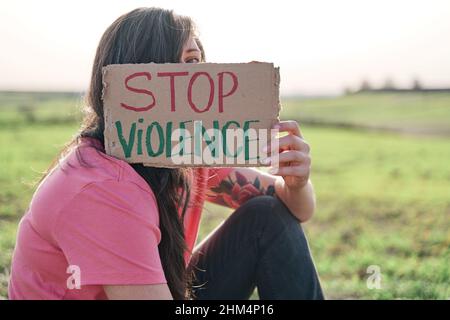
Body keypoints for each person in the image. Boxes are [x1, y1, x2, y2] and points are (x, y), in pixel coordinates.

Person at [8, 7, 324, 300]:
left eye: (194, 62)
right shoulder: (102, 186)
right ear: (134, 81)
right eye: (175, 63)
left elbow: (291, 212)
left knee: (265, 215)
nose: (192, 78)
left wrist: (295, 181)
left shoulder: (187, 147)